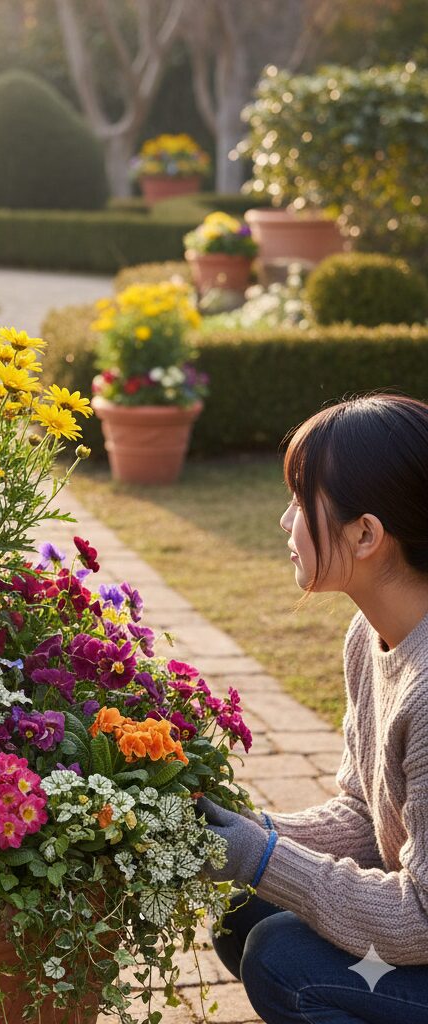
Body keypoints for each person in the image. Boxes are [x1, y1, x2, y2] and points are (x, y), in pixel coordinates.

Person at [197, 394, 428, 1023]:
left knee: (282, 958)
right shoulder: (370, 634)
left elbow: (419, 920)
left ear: (366, 534)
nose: (282, 521)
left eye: (301, 502)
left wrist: (261, 857)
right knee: (247, 914)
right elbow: (363, 815)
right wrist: (243, 833)